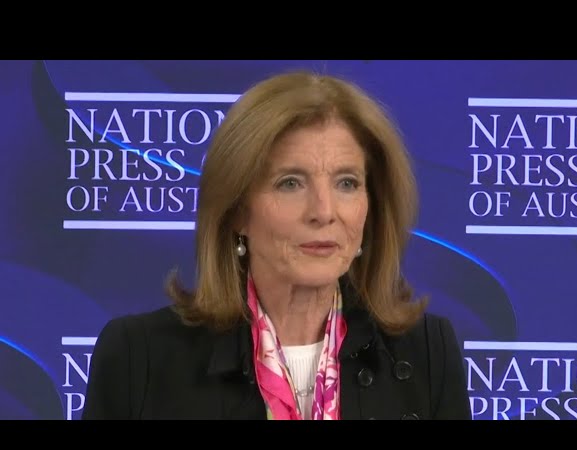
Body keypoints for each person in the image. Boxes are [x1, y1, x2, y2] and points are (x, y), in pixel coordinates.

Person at [82, 69, 472, 420]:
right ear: (236, 209)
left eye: (347, 183)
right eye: (291, 183)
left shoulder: (426, 353)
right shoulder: (139, 357)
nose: (324, 211)